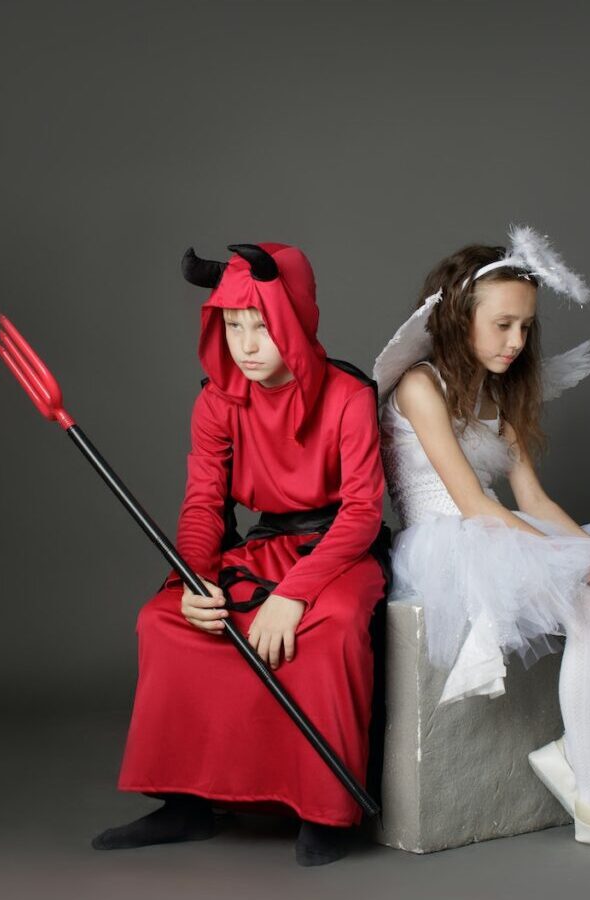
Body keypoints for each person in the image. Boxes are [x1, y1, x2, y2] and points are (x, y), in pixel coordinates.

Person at [373, 226, 590, 856]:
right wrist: (575, 562)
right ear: (458, 319)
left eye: (526, 327)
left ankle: (565, 752)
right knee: (584, 599)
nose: (517, 341)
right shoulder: (421, 386)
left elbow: (533, 500)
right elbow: (471, 503)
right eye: (503, 325)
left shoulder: (498, 389)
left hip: (502, 533)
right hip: (446, 544)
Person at [93, 242, 387, 866]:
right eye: (232, 326)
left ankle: (325, 812)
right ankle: (187, 803)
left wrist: (295, 594)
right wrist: (194, 578)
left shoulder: (348, 395)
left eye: (262, 326)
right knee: (165, 620)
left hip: (336, 552)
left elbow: (362, 513)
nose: (247, 345)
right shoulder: (217, 400)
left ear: (296, 320)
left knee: (330, 630)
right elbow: (204, 505)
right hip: (262, 548)